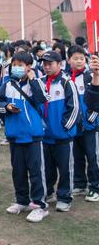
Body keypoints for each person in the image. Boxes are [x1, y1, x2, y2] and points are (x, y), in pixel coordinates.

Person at [0, 52, 49, 222]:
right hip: (14, 136)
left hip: (33, 136)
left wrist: (33, 80)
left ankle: (40, 205)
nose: (17, 67)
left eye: (21, 64)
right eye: (14, 64)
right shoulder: (8, 84)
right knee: (18, 171)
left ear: (29, 67)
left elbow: (42, 99)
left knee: (36, 172)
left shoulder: (36, 82)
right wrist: (6, 106)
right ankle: (22, 201)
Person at [41, 51, 80, 212]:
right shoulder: (40, 82)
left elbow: (75, 108)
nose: (47, 66)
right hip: (45, 137)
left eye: (50, 63)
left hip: (63, 137)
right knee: (47, 169)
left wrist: (64, 128)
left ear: (60, 64)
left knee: (65, 169)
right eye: (45, 64)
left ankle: (64, 197)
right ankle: (48, 192)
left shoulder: (66, 83)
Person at [67, 45, 99, 202]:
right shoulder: (67, 79)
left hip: (89, 125)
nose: (79, 61)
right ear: (68, 60)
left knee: (92, 156)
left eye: (81, 58)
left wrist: (91, 118)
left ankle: (95, 187)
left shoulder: (90, 77)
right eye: (75, 58)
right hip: (74, 126)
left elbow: (95, 100)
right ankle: (80, 183)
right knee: (77, 155)